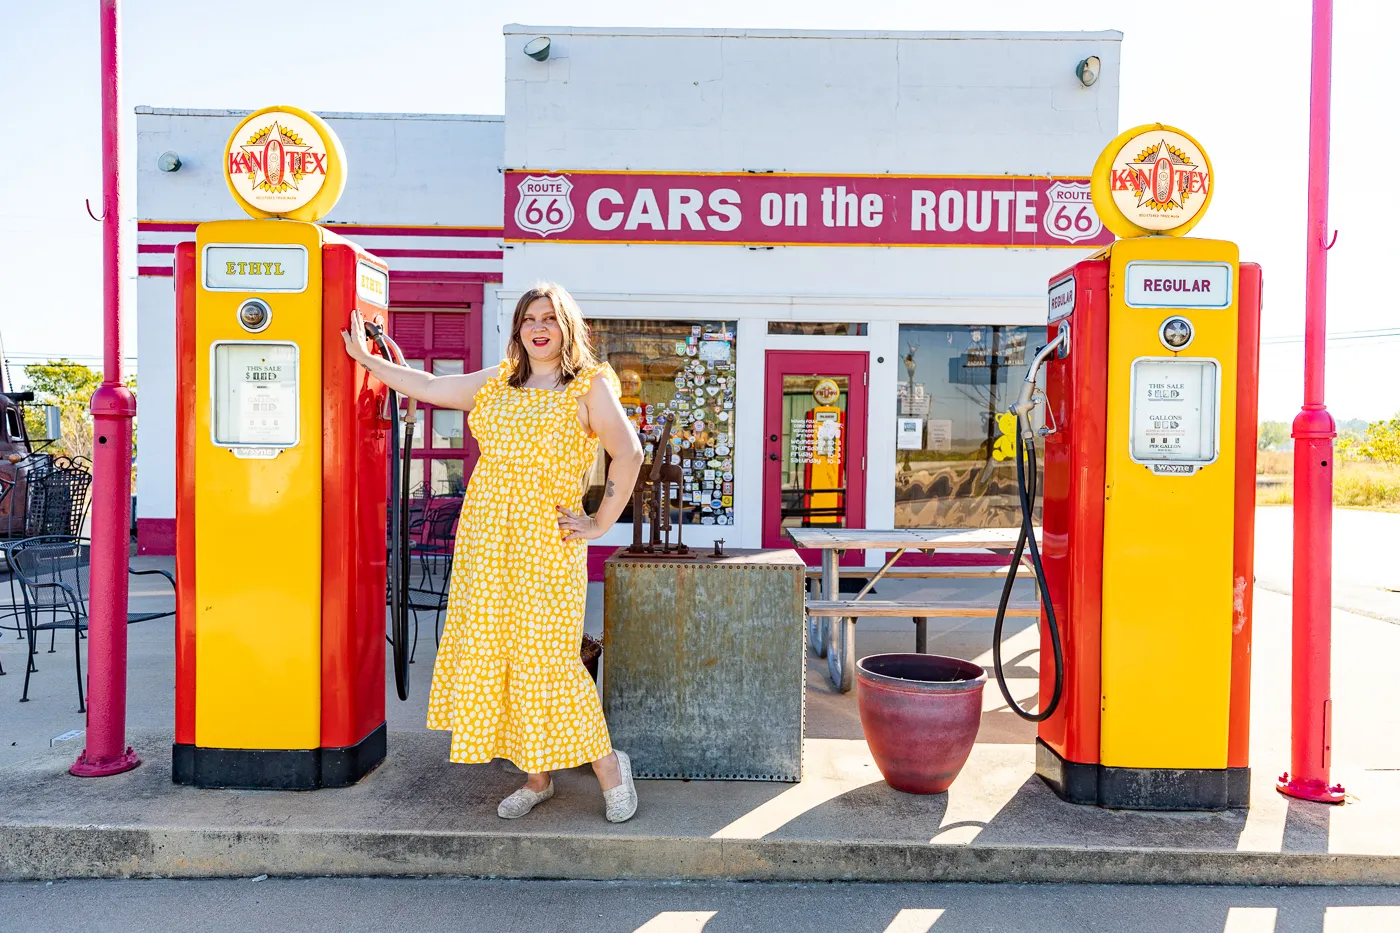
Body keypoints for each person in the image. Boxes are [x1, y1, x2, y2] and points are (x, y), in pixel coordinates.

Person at [341, 282, 645, 822]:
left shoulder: (589, 385)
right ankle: (537, 776)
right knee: (500, 654)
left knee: (548, 660)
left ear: (567, 326)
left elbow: (628, 452)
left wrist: (600, 522)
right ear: (518, 329)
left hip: (547, 544)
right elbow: (431, 384)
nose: (538, 327)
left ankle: (609, 768)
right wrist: (368, 360)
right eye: (530, 318)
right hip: (485, 541)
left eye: (550, 318)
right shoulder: (501, 379)